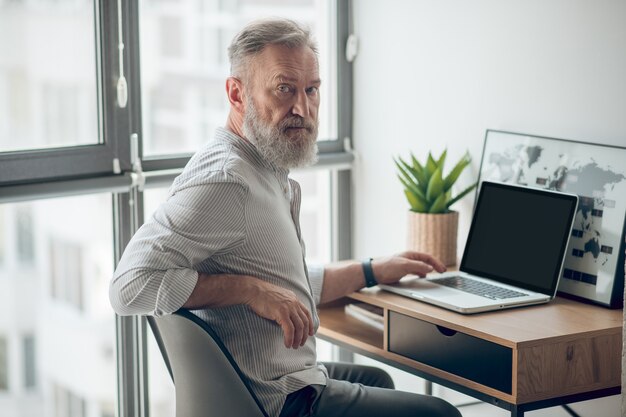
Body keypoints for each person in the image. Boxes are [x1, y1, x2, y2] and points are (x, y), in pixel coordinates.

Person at [110, 18, 461, 417]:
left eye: (312, 90)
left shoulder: (261, 166)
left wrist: (371, 271)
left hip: (275, 380)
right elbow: (128, 286)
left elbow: (280, 281)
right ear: (236, 93)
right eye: (284, 89)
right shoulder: (228, 180)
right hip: (276, 400)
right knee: (440, 414)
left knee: (378, 381)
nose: (303, 108)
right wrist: (249, 290)